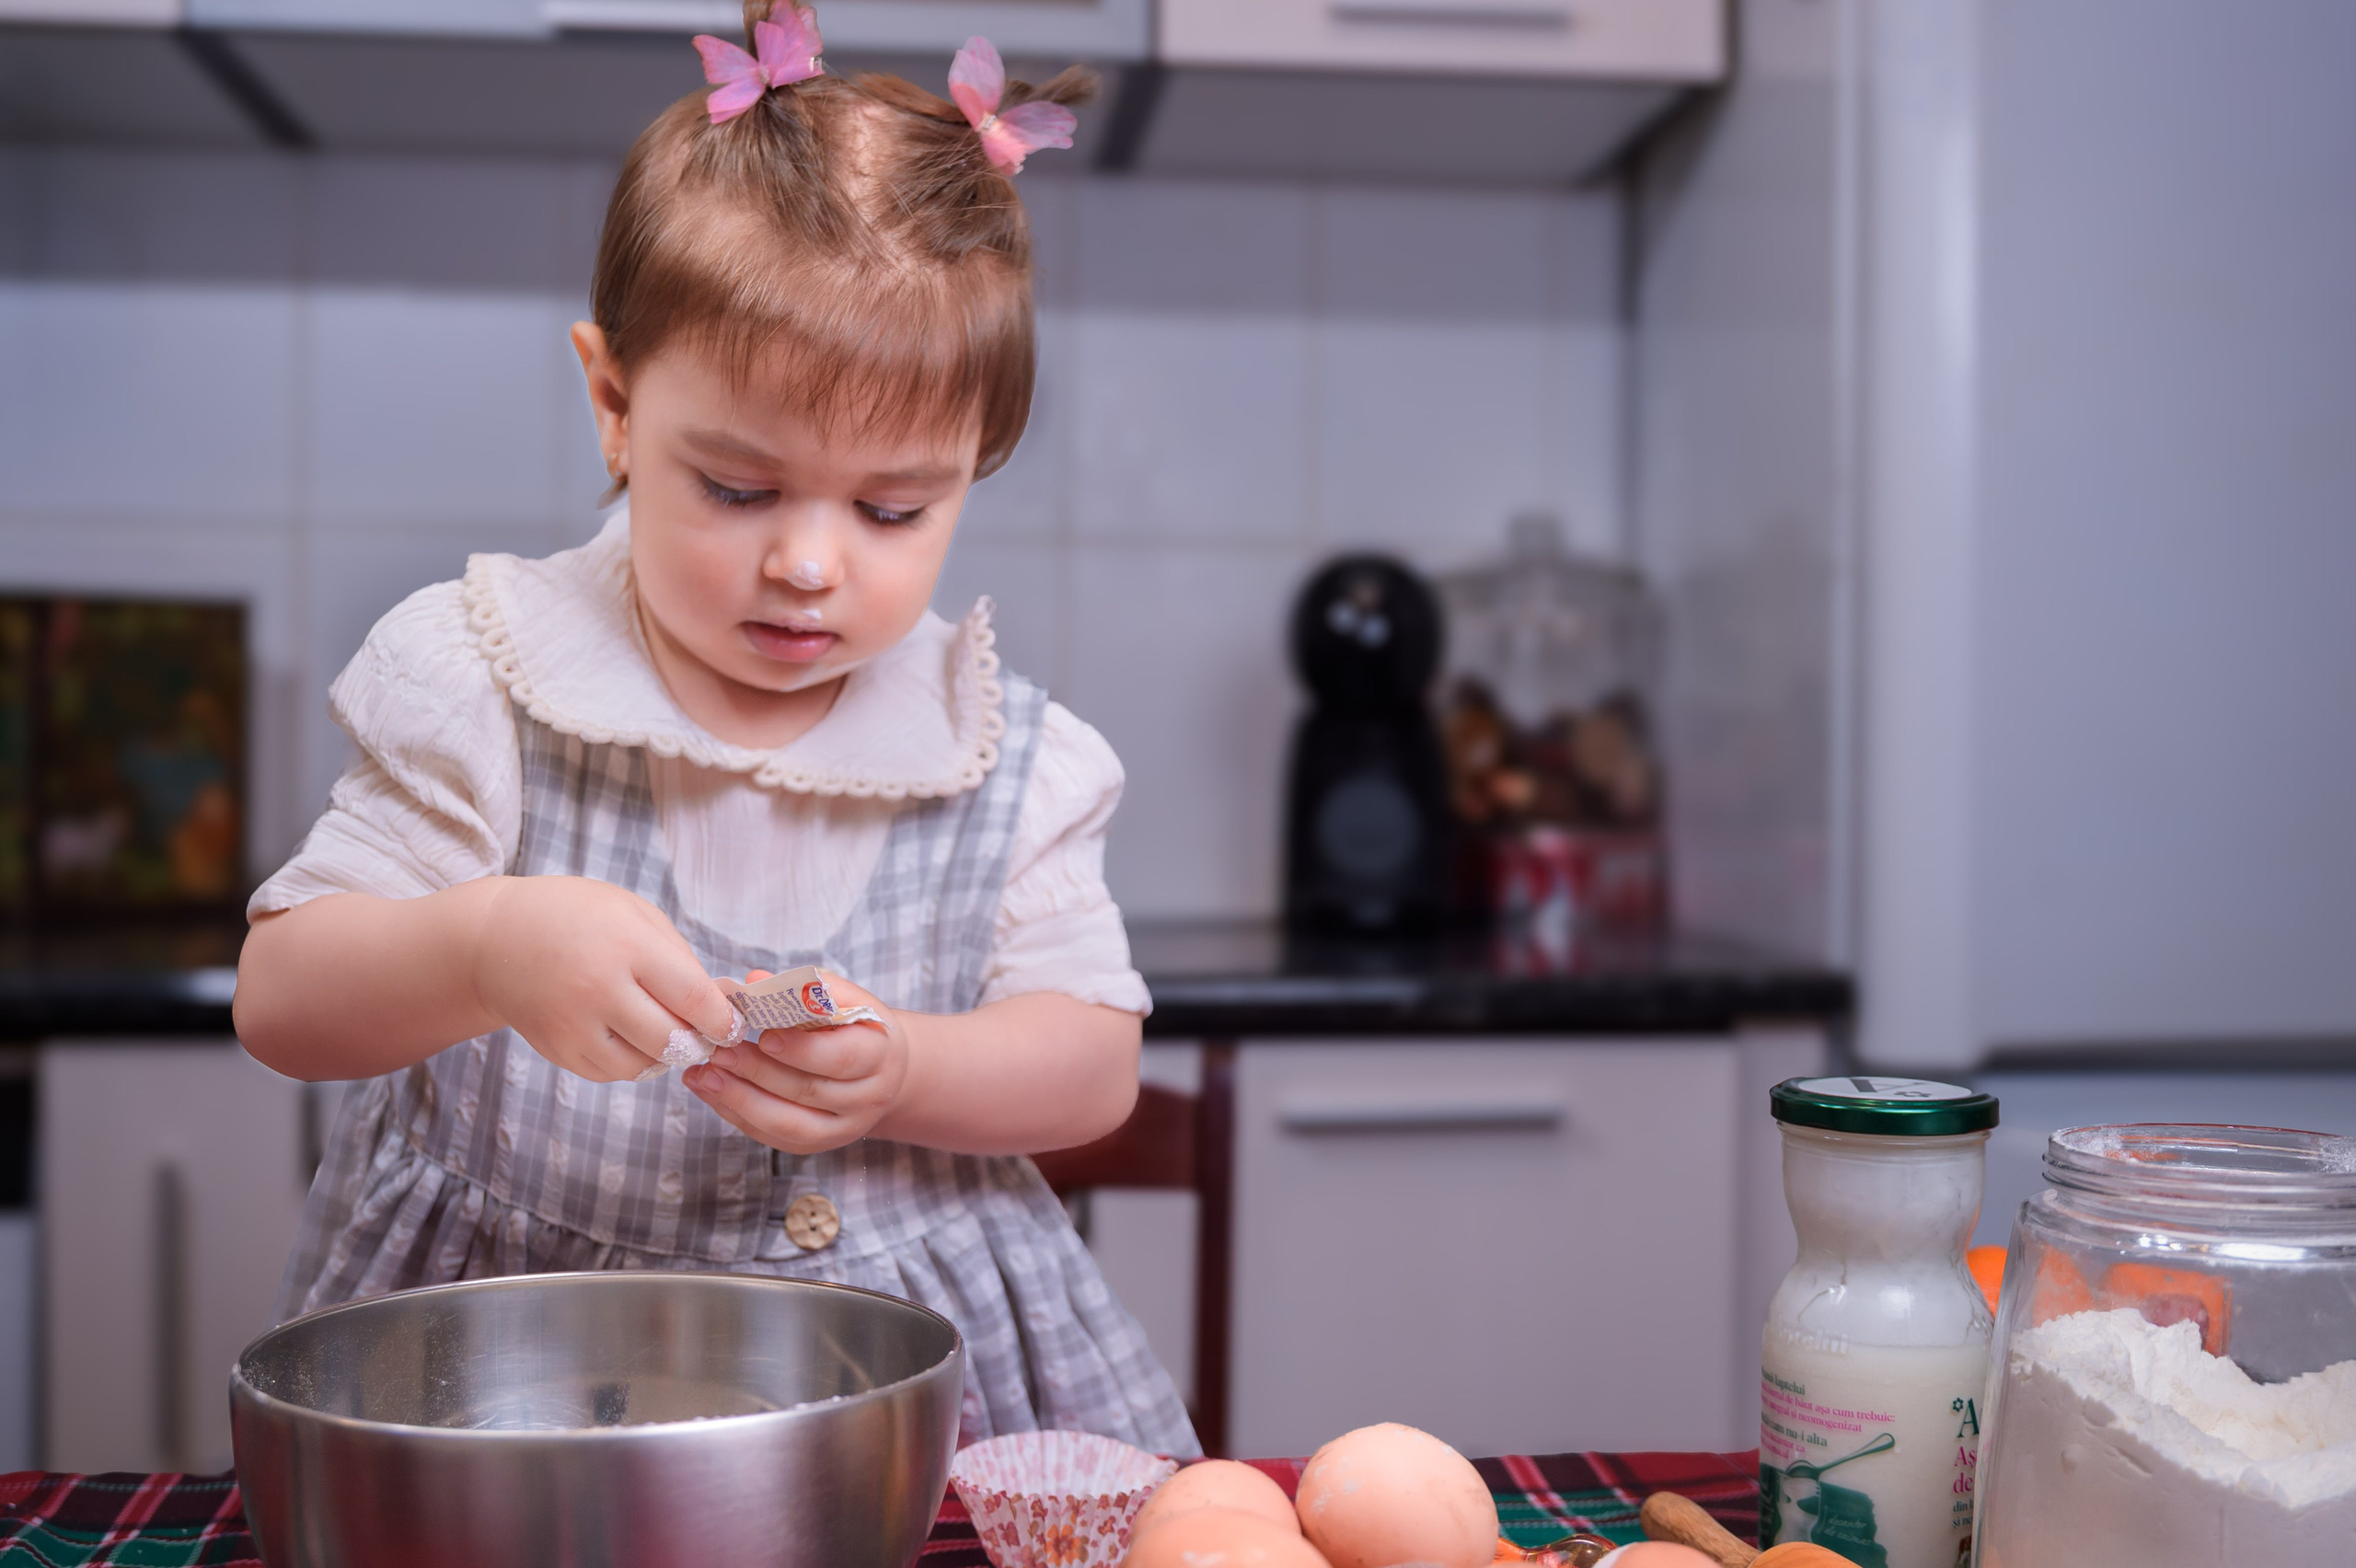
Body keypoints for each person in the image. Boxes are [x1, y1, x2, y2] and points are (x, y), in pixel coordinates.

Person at [231, 3, 1196, 1456]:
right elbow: (284, 1003)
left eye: (893, 509)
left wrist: (914, 1072)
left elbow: (1091, 1065)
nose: (811, 563)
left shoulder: (1000, 750)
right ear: (614, 404)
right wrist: (484, 943)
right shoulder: (489, 678)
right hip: (513, 1394)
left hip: (914, 1410)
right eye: (740, 490)